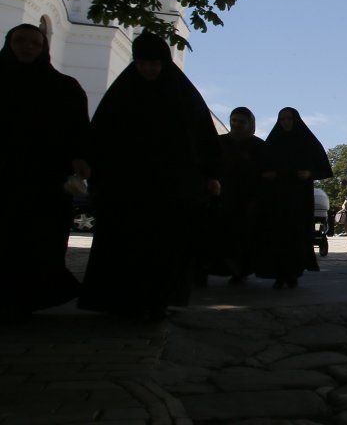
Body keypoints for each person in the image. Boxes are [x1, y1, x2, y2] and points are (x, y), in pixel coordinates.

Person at [78, 32, 221, 320]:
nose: (149, 69)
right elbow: (101, 134)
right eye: (143, 63)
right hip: (125, 186)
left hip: (170, 189)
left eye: (155, 64)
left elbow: (204, 138)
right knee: (123, 243)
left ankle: (157, 301)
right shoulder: (122, 94)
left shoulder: (183, 96)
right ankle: (118, 300)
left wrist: (211, 175)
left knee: (163, 246)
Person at [1, 24, 91, 319]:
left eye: (34, 43)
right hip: (5, 174)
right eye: (20, 41)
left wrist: (81, 158)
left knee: (38, 239)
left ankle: (27, 299)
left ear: (44, 48)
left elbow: (80, 129)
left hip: (45, 178)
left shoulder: (63, 87)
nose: (27, 47)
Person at [256, 108, 332, 289]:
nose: (286, 122)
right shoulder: (273, 142)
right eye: (282, 119)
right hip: (277, 195)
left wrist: (310, 174)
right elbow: (259, 166)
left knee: (296, 233)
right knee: (278, 233)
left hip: (299, 196)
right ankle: (279, 273)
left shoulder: (307, 141)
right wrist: (267, 174)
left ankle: (293, 272)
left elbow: (324, 169)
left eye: (289, 118)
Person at [212, 107, 264, 284]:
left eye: (241, 121)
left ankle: (239, 271)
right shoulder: (219, 143)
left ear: (250, 124)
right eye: (234, 120)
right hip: (221, 196)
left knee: (241, 238)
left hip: (246, 199)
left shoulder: (258, 147)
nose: (236, 125)